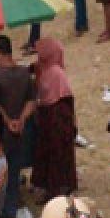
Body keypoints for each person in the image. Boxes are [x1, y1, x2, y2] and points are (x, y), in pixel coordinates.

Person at [0, 35, 35, 218]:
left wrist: (7, 121)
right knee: (14, 171)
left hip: (1, 134)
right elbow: (31, 101)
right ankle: (11, 208)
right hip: (20, 133)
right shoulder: (24, 73)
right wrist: (20, 120)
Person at [29, 39, 77, 199]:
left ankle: (56, 188)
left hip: (57, 117)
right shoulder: (44, 70)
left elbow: (66, 97)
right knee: (49, 152)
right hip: (50, 116)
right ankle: (49, 186)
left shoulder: (56, 72)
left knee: (56, 153)